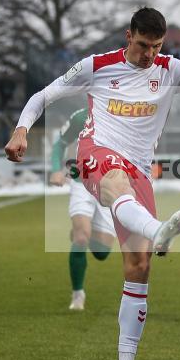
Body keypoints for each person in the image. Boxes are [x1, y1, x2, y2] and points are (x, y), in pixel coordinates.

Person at [4, 7, 180, 360]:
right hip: (97, 151)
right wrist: (21, 130)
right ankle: (160, 230)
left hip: (141, 170)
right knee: (115, 186)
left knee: (139, 265)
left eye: (157, 46)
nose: (150, 54)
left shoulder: (171, 69)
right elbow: (43, 95)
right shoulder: (96, 66)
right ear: (129, 36)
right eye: (144, 45)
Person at [49, 107, 116, 310]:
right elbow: (59, 145)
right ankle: (78, 294)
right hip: (81, 182)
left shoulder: (124, 114)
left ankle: (81, 229)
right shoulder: (80, 116)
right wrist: (56, 170)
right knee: (81, 238)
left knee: (101, 252)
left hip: (110, 186)